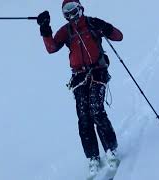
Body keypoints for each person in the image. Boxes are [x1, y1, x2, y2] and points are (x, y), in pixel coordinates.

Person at [36, 0, 123, 178]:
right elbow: (52, 48)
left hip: (98, 71)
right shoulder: (66, 31)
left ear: (80, 8)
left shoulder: (92, 23)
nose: (71, 14)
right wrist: (45, 28)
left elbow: (118, 36)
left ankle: (111, 150)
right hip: (79, 77)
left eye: (73, 9)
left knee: (97, 110)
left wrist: (107, 28)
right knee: (84, 117)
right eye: (66, 12)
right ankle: (93, 157)